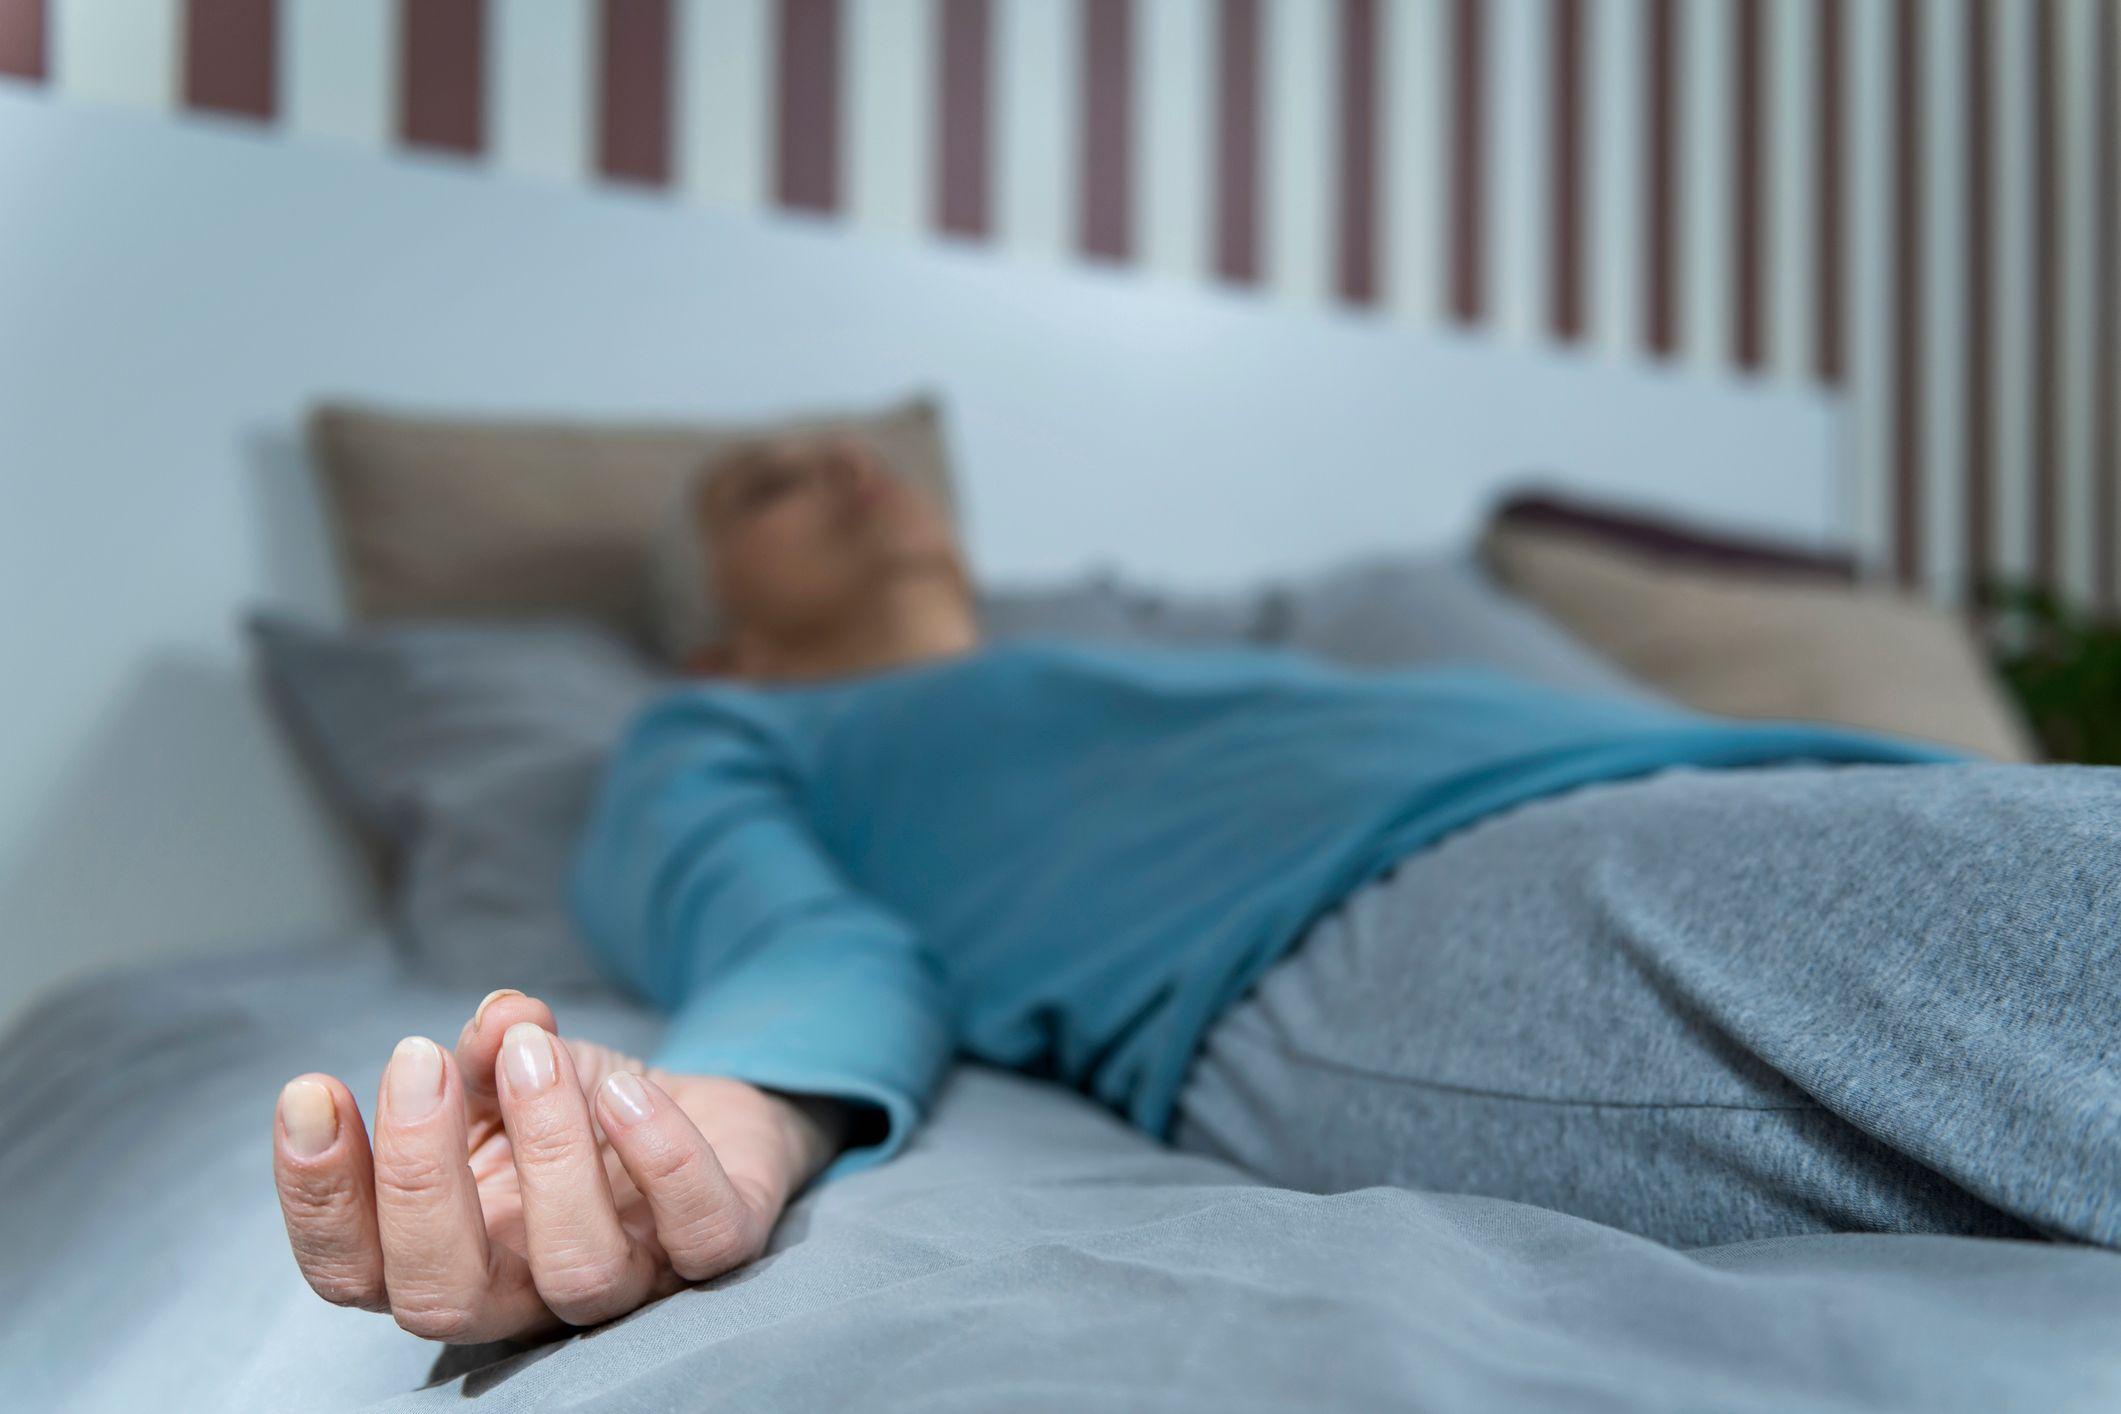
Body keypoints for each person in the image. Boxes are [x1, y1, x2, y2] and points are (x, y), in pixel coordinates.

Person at [272, 436, 2121, 1345]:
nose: (843, 460)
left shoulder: (1223, 649)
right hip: (1396, 914)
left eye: (858, 454)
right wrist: (740, 1112)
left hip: (1761, 789)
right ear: (720, 622)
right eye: (771, 476)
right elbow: (800, 939)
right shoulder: (730, 730)